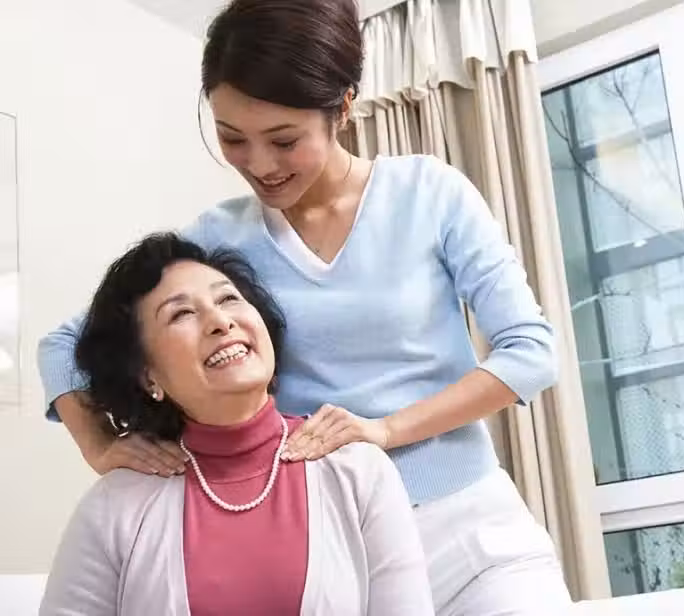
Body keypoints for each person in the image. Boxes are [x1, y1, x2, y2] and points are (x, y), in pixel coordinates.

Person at [37, 0, 572, 613]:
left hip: (470, 531)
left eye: (284, 140)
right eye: (233, 138)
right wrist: (99, 446)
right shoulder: (219, 239)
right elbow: (64, 345)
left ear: (343, 107)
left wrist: (384, 431)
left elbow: (531, 352)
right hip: (333, 542)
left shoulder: (429, 192)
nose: (259, 165)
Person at [39, 233, 435, 616]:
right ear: (148, 377)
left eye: (228, 298)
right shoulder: (116, 505)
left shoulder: (358, 472)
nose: (220, 321)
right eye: (181, 314)